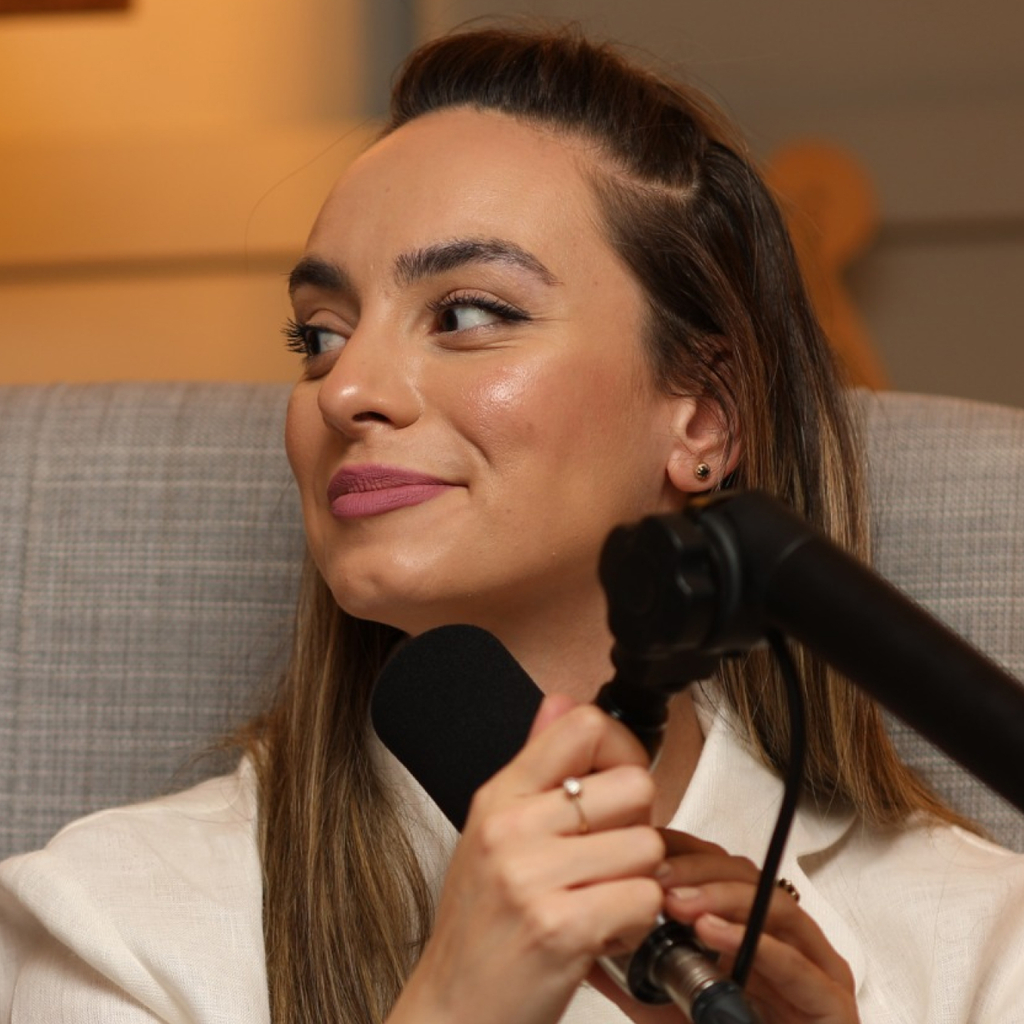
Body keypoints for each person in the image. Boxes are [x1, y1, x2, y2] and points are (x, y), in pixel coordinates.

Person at [2, 25, 1023, 1024]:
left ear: (704, 416)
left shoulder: (981, 941)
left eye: (466, 314)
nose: (344, 389)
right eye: (318, 335)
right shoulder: (114, 925)